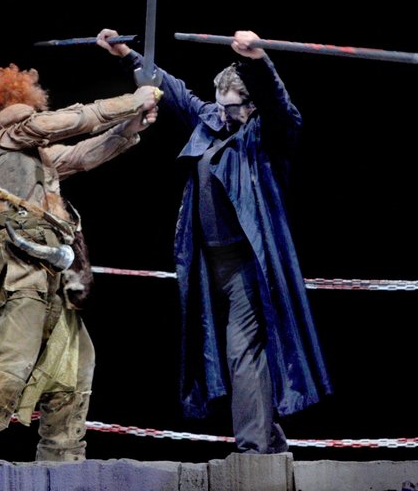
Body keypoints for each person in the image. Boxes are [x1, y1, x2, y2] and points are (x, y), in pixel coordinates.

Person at [97, 28, 331, 455]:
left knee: (242, 350)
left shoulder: (268, 135)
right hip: (208, 263)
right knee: (225, 351)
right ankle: (269, 436)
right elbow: (175, 91)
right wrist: (127, 54)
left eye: (231, 107)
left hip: (248, 264)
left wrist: (258, 61)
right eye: (219, 105)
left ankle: (253, 450)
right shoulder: (211, 120)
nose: (222, 114)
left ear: (251, 105)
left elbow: (279, 105)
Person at [0, 62, 160, 462]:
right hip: (19, 260)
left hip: (53, 266)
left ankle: (63, 452)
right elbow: (66, 122)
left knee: (76, 359)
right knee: (16, 352)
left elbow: (81, 155)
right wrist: (129, 102)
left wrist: (128, 128)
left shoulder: (31, 155)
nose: (34, 113)